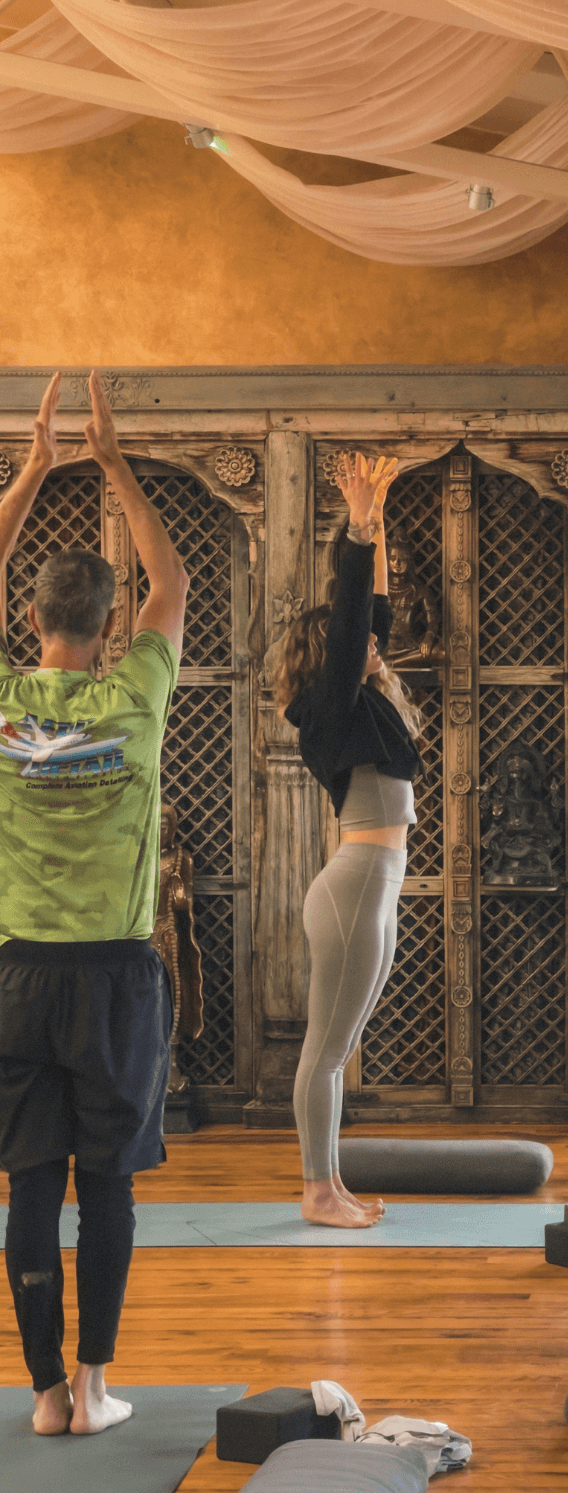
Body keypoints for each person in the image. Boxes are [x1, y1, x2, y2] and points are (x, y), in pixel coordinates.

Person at [0, 370, 188, 1437]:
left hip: (18, 971)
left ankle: (37, 1397)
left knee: (31, 1184)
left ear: (30, 618)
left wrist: (33, 467)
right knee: (106, 1186)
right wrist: (113, 462)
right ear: (113, 621)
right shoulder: (136, 699)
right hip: (114, 980)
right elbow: (175, 583)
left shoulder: (6, 705)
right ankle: (92, 1388)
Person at [275, 453, 423, 1228]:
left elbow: (376, 615)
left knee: (338, 1047)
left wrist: (382, 512)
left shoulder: (362, 702)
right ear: (328, 653)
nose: (376, 643)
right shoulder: (329, 707)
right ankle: (315, 1192)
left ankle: (329, 1186)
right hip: (357, 883)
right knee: (326, 1050)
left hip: (375, 883)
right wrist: (358, 526)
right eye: (358, 638)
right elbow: (353, 616)